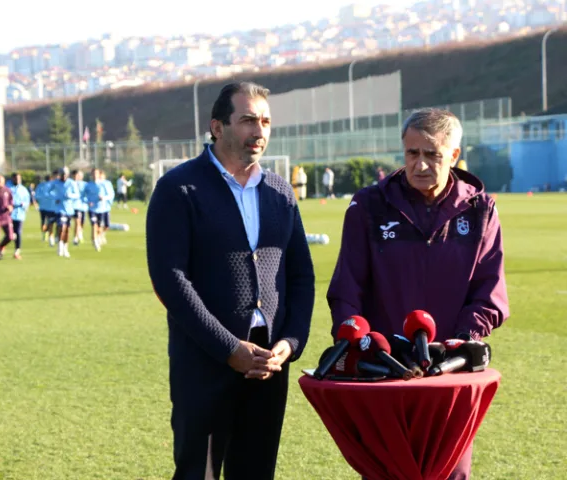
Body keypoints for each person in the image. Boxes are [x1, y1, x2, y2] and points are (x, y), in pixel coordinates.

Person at [327, 108, 510, 480]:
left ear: (455, 156)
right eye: (412, 153)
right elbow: (348, 287)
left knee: (449, 472)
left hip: (448, 374)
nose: (421, 165)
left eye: (433, 155)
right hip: (385, 373)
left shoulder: (481, 210)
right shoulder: (368, 206)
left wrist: (460, 342)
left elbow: (489, 292)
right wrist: (358, 345)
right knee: (385, 471)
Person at [146, 82, 316, 479]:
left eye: (265, 121)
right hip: (205, 361)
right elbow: (170, 280)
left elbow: (301, 275)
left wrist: (290, 343)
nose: (259, 131)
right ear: (217, 127)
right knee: (197, 474)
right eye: (247, 121)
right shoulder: (179, 188)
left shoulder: (279, 192)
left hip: (269, 365)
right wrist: (228, 348)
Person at [51, 167, 79, 258]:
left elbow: (77, 194)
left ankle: (65, 247)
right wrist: (55, 198)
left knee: (67, 229)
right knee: (61, 226)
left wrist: (70, 195)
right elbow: (48, 192)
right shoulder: (55, 183)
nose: (63, 176)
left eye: (65, 174)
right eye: (62, 174)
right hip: (60, 209)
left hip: (69, 209)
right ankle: (60, 244)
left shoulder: (72, 183)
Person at [10, 172, 31, 260]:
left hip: (19, 214)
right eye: (16, 179)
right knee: (10, 234)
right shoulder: (8, 188)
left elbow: (27, 200)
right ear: (12, 179)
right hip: (9, 214)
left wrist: (24, 205)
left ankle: (17, 251)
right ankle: (2, 245)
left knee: (18, 232)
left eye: (19, 179)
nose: (17, 180)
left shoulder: (23, 190)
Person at [71, 170, 88, 245]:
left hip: (83, 206)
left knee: (81, 224)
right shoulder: (71, 183)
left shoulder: (85, 184)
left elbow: (88, 194)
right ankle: (75, 238)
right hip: (75, 206)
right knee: (77, 222)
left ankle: (79, 233)